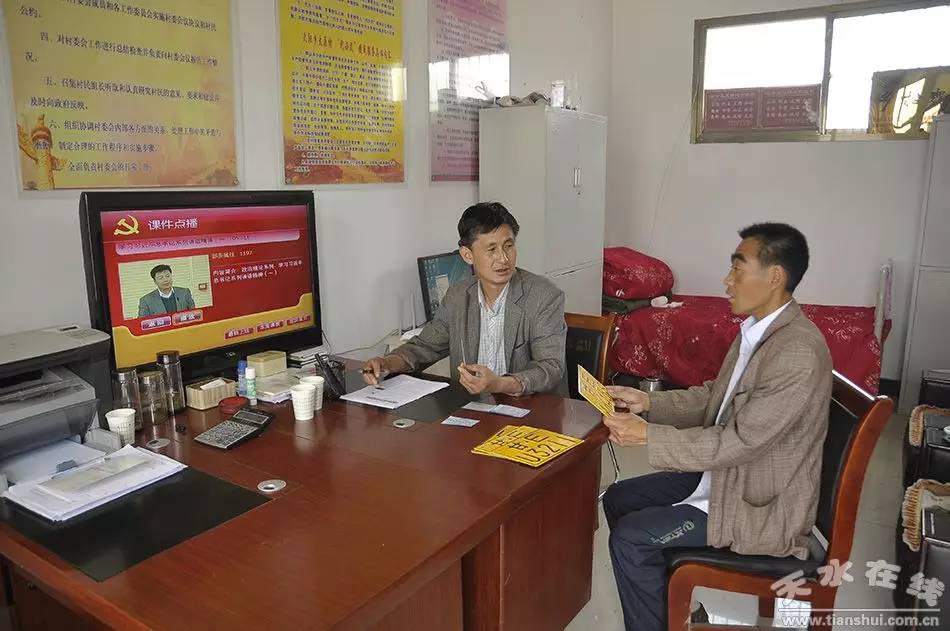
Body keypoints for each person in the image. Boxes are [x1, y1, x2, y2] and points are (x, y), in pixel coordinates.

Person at [601, 223, 832, 631]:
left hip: (759, 507)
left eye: (738, 269)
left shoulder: (796, 351)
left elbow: (741, 441)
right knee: (619, 498)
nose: (727, 281)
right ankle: (677, 611)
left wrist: (648, 435)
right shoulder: (757, 332)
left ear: (774, 276)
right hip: (727, 480)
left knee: (632, 540)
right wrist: (650, 401)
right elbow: (713, 398)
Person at [361, 202, 566, 395]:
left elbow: (550, 367)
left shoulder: (544, 296)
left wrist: (499, 384)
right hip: (470, 409)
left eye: (508, 246)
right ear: (468, 255)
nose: (503, 258)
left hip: (529, 412)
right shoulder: (458, 296)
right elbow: (425, 347)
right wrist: (386, 364)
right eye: (492, 249)